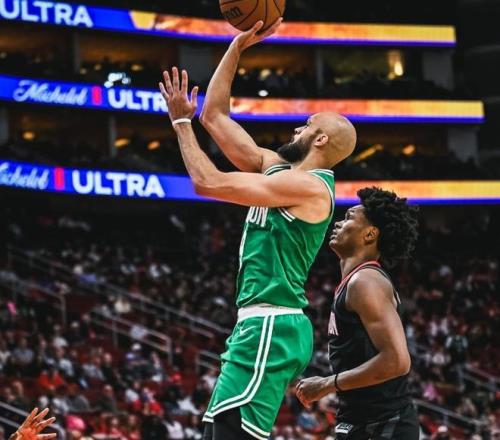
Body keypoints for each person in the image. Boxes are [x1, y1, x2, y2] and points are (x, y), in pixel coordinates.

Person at [158, 20, 357, 440]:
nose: (297, 128)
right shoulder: (276, 168)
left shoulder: (309, 188)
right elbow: (214, 116)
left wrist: (179, 124)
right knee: (215, 433)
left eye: (306, 125)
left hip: (273, 322)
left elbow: (208, 182)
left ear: (320, 140)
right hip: (257, 323)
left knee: (233, 434)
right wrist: (237, 45)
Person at [296, 188, 420, 439]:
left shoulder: (365, 281)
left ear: (370, 234)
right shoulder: (356, 281)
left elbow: (397, 361)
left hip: (384, 423)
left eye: (349, 217)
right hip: (360, 420)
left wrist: (326, 384)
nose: (338, 223)